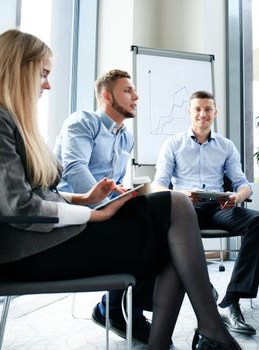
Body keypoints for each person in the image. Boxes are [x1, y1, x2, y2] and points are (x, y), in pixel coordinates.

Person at [0, 29, 242, 350]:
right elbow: (20, 207)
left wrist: (88, 200)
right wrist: (93, 213)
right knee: (174, 219)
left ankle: (194, 332)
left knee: (173, 219)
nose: (48, 84)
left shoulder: (9, 119)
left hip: (51, 234)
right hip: (34, 250)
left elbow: (36, 192)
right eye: (42, 73)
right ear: (16, 70)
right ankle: (205, 330)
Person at [152, 90, 259, 336]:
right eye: (197, 109)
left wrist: (238, 196)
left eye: (208, 109)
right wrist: (182, 194)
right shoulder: (173, 144)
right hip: (186, 208)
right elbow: (158, 185)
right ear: (189, 112)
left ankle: (233, 298)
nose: (202, 114)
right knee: (167, 228)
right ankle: (204, 288)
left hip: (219, 207)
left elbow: (242, 182)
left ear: (215, 113)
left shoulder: (226, 145)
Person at [53, 69, 153, 343]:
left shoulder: (125, 137)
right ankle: (118, 309)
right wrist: (108, 205)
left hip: (106, 209)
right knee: (151, 218)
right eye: (128, 91)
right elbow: (74, 170)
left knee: (156, 212)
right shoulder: (83, 121)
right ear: (107, 96)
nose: (136, 96)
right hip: (76, 210)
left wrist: (123, 193)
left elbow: (115, 181)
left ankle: (121, 307)